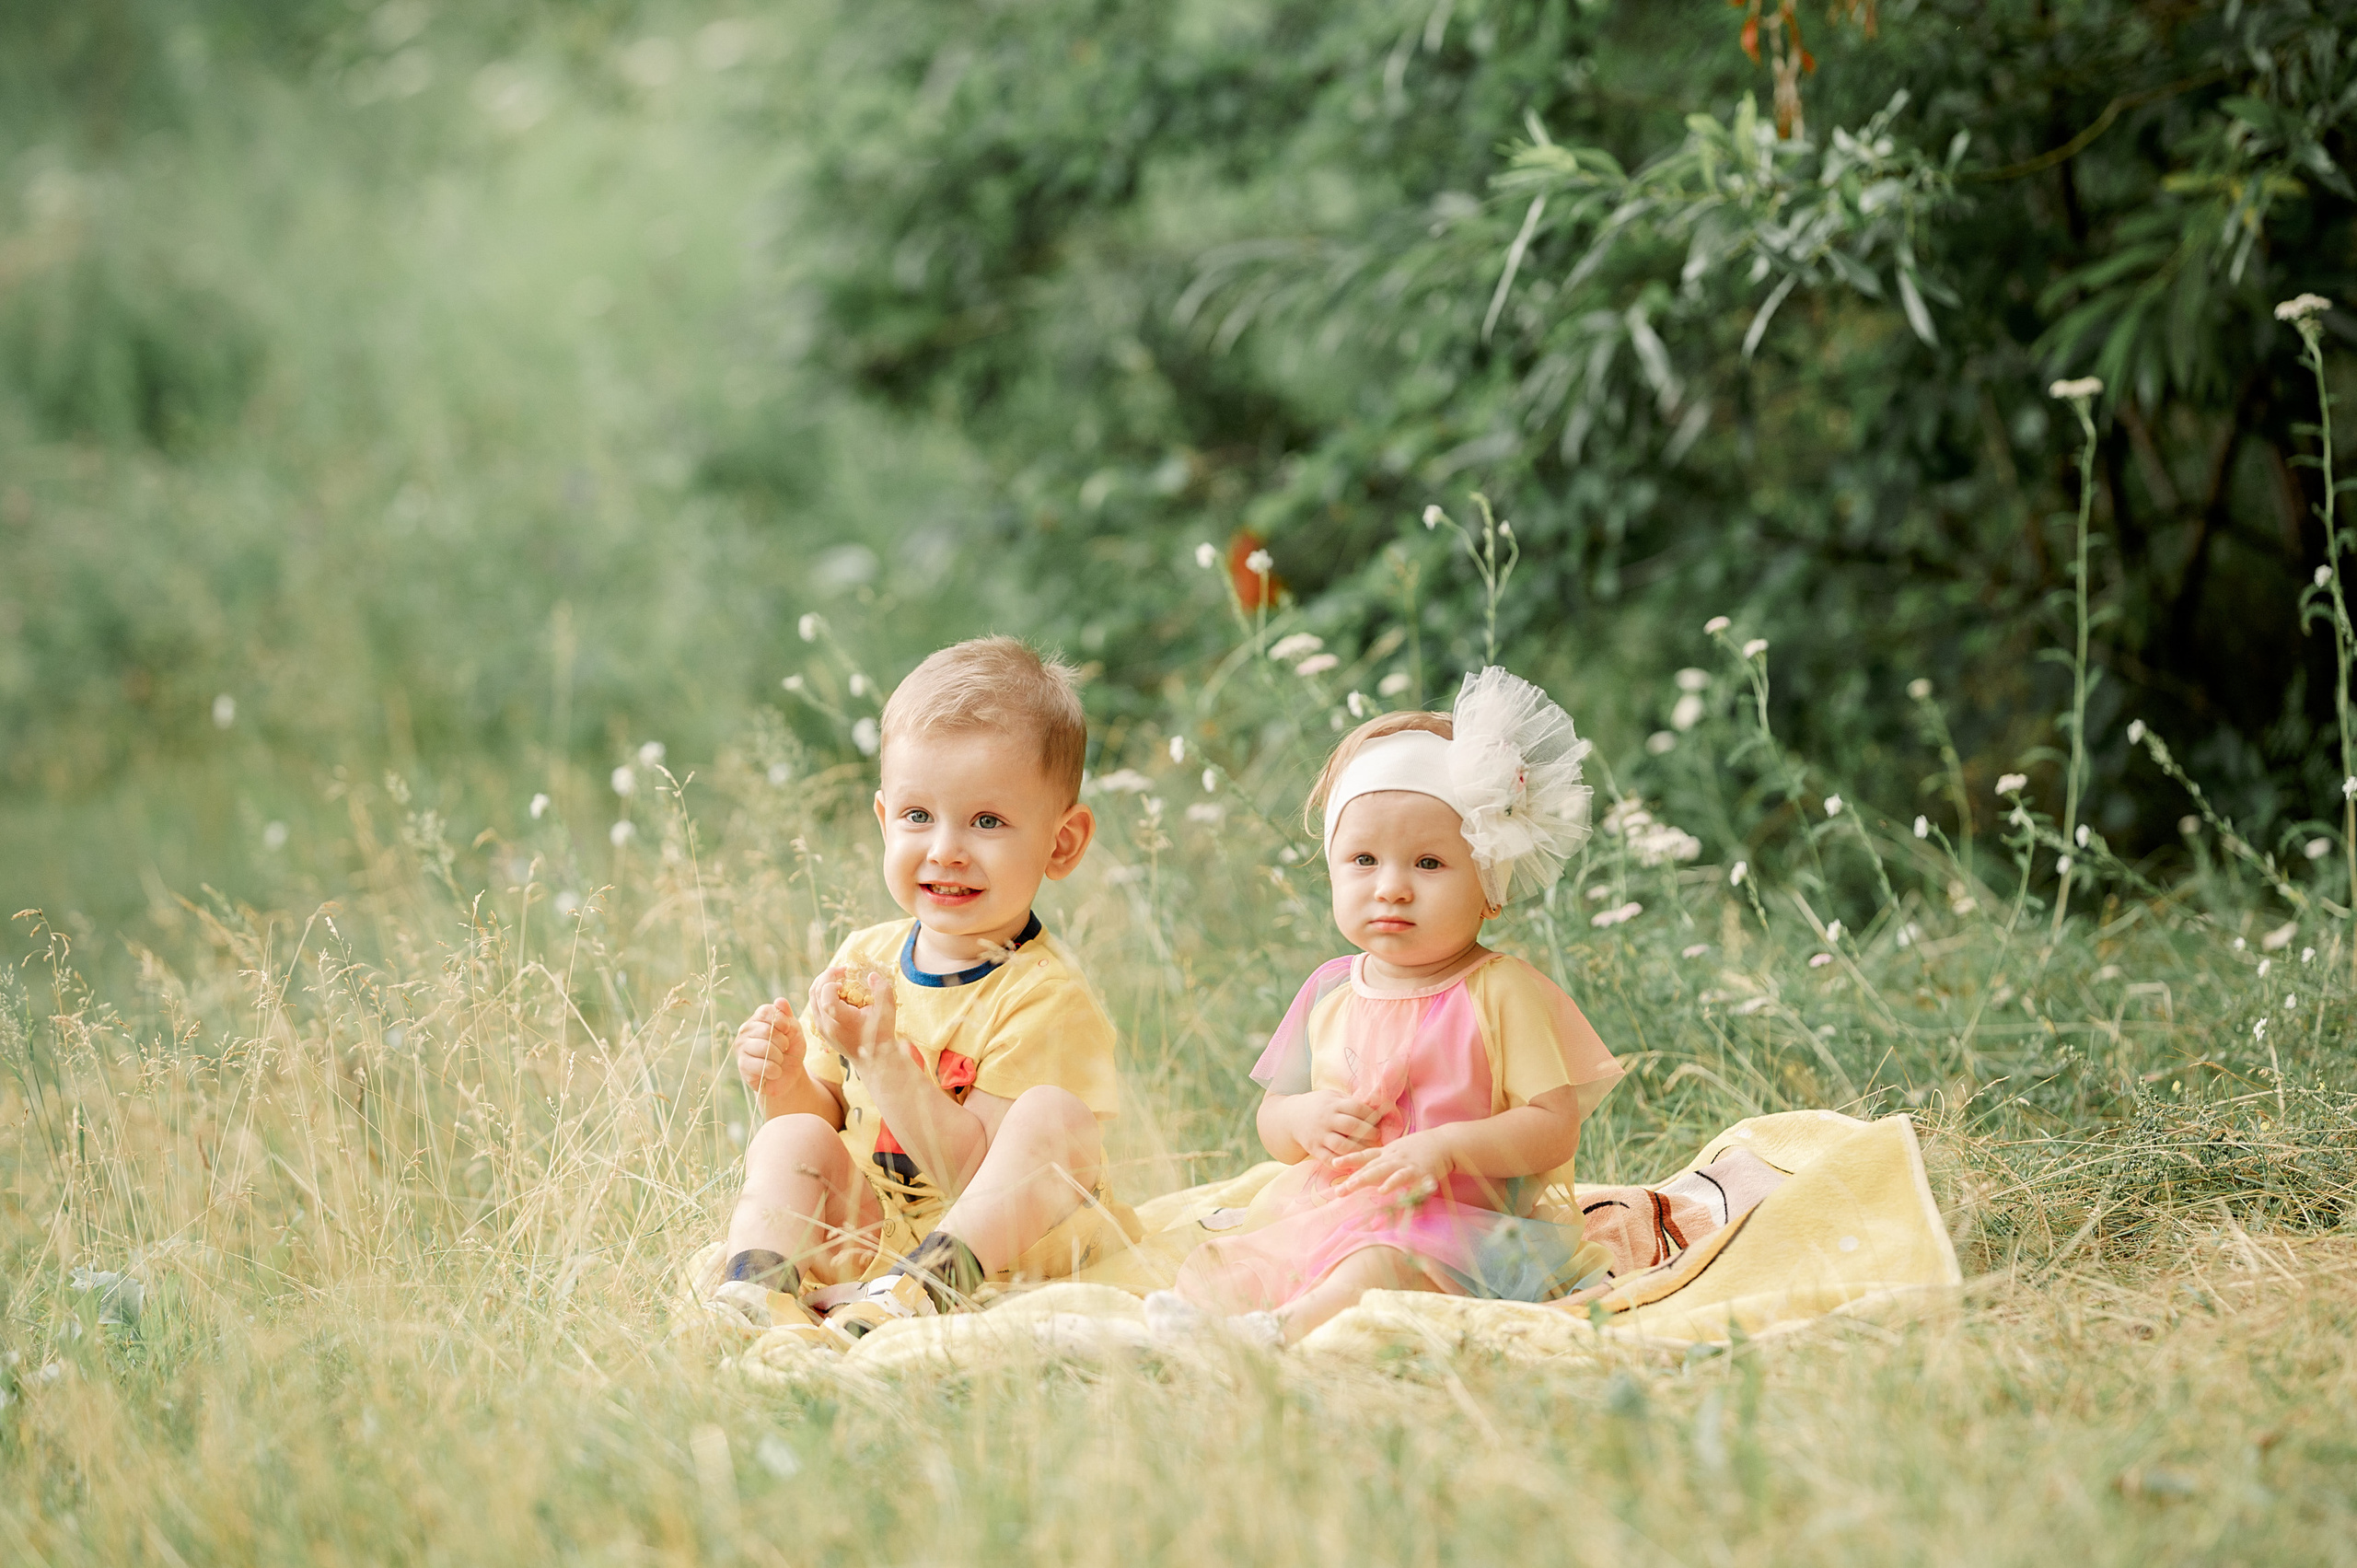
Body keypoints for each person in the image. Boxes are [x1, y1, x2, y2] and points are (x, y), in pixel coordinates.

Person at [1153, 668, 1623, 1347]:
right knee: (1231, 1261)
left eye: (1429, 863)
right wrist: (1304, 1117)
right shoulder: (1331, 989)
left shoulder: (1499, 989)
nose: (1392, 888)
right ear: (1333, 867)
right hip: (1338, 1203)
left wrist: (1447, 1147)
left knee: (1375, 1263)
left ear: (1488, 883)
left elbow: (1554, 1127)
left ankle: (1280, 1334)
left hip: (1463, 1225)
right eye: (1364, 859)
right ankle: (1202, 1329)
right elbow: (1274, 1120)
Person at [708, 636, 1127, 1338]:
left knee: (1054, 1116)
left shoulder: (1045, 999)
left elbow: (974, 1177)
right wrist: (782, 1080)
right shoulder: (865, 957)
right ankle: (759, 1290)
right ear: (883, 819)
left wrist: (880, 1057)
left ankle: (923, 1291)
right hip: (876, 1239)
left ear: (1062, 842)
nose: (945, 849)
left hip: (996, 1252)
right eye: (917, 816)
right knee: (792, 1140)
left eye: (987, 821)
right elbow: (828, 1115)